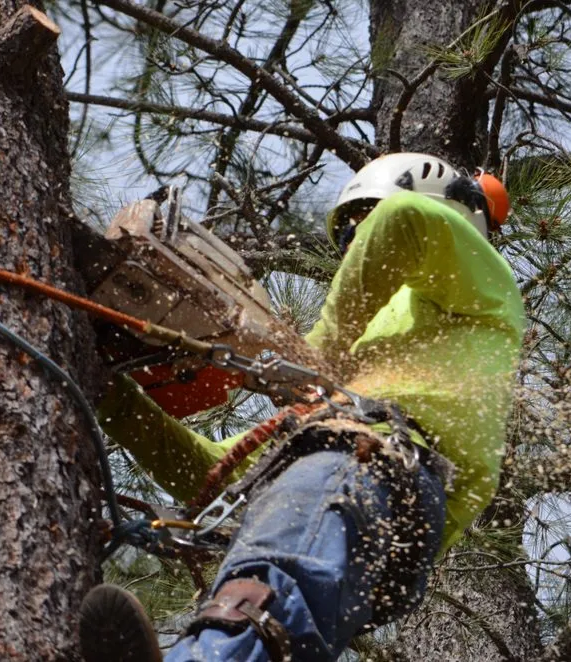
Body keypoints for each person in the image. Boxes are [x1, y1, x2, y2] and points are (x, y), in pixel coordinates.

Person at [79, 153, 525, 662]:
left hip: (371, 466)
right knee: (272, 631)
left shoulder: (485, 289)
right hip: (379, 539)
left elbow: (405, 221)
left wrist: (318, 355)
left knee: (259, 599)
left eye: (361, 225)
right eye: (348, 236)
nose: (355, 245)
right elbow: (213, 476)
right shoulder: (364, 381)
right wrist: (108, 393)